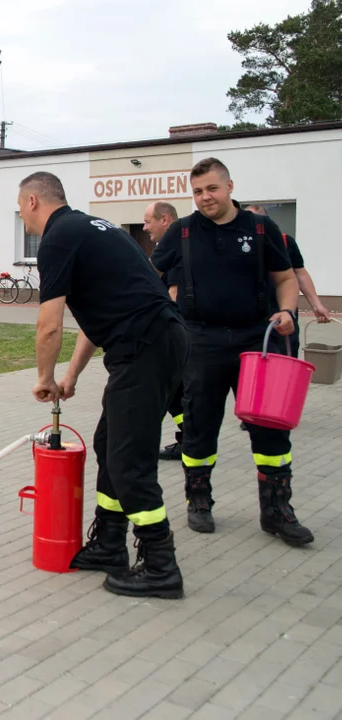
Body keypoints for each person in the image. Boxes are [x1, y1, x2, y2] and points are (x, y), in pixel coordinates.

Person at [24, 171, 189, 599]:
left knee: (129, 461)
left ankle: (160, 566)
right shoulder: (93, 227)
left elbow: (49, 324)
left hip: (146, 346)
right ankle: (111, 544)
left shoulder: (58, 238)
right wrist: (72, 374)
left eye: (21, 209)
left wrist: (43, 378)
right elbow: (99, 316)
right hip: (158, 340)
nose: (23, 219)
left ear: (32, 202)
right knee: (108, 444)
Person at [152, 157, 312, 546]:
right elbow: (150, 276)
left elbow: (286, 277)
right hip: (201, 341)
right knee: (199, 426)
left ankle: (277, 512)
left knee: (270, 429)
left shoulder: (261, 228)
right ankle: (199, 501)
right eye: (197, 192)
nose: (205, 197)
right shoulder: (183, 232)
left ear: (229, 187)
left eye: (212, 188)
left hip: (256, 342)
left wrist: (288, 310)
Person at [246, 204, 332, 357]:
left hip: (281, 314)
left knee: (284, 358)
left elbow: (300, 273)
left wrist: (316, 304)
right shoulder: (238, 245)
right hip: (248, 318)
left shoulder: (284, 242)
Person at [143, 201, 185, 461]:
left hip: (174, 333)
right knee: (175, 393)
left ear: (165, 219)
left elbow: (175, 292)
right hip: (175, 333)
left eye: (148, 221)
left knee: (175, 391)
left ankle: (190, 438)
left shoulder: (178, 247)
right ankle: (188, 436)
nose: (145, 227)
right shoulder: (170, 246)